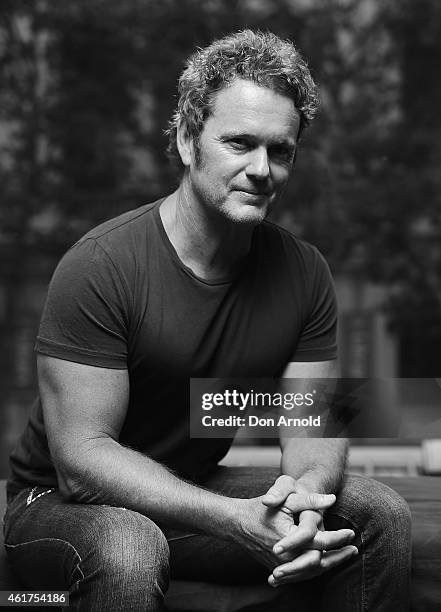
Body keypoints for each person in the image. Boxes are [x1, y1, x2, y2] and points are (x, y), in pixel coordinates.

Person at [3, 30, 411, 611]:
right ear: (188, 141)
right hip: (58, 507)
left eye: (281, 150)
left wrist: (304, 502)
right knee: (128, 546)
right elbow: (81, 461)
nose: (261, 169)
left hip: (187, 491)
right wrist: (235, 520)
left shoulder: (305, 271)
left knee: (376, 513)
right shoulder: (99, 264)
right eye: (239, 143)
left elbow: (313, 424)